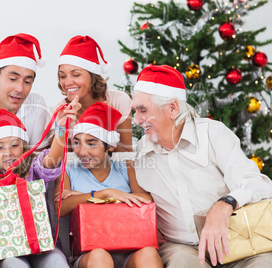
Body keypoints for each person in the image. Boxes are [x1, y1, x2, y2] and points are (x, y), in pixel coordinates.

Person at [132, 64, 272, 267]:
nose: (137, 120)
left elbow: (259, 185)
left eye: (143, 110)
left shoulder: (212, 134)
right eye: (135, 111)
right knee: (183, 262)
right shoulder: (142, 152)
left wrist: (224, 204)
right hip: (182, 248)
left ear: (172, 108)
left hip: (234, 239)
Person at [0, 97, 81, 268]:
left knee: (58, 263)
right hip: (3, 251)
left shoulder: (34, 167)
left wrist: (61, 127)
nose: (8, 152)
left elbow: (52, 160)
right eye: (0, 147)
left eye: (14, 145)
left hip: (42, 247)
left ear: (23, 145)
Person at [53, 102, 163, 268]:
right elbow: (60, 207)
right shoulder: (68, 170)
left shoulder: (127, 167)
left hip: (129, 251)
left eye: (91, 143)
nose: (82, 152)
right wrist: (104, 194)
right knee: (99, 256)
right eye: (76, 143)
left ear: (109, 145)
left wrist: (84, 199)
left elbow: (146, 200)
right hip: (89, 254)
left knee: (149, 254)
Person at [51, 35, 133, 152]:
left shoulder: (119, 101)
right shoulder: (59, 111)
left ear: (93, 76)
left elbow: (126, 156)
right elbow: (56, 161)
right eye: (62, 76)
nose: (67, 82)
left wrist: (108, 123)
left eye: (76, 75)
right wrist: (64, 127)